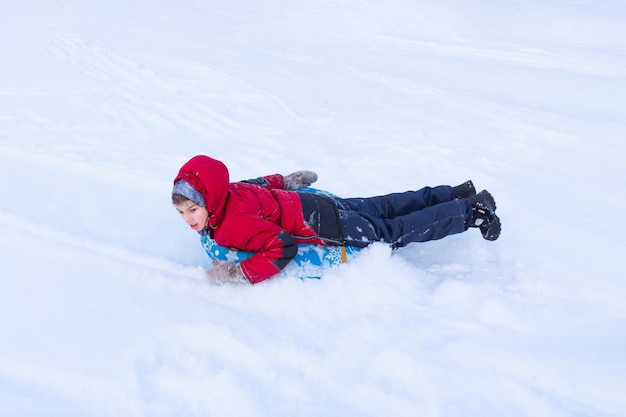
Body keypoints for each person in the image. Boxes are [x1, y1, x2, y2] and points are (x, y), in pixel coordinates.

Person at [172, 155, 501, 285]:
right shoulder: (227, 191)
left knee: (393, 231)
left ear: (209, 200)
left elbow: (280, 247)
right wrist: (287, 180)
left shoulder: (232, 226)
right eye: (183, 212)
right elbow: (259, 184)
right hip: (314, 202)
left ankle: (472, 211)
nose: (189, 220)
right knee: (384, 205)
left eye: (193, 210)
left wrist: (238, 272)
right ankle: (453, 193)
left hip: (322, 224)